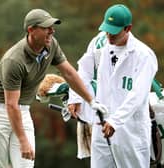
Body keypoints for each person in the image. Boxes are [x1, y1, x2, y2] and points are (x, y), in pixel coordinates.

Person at [0, 9, 107, 168]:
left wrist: (90, 100)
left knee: (25, 165)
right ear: (31, 30)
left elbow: (69, 73)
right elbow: (11, 105)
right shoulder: (14, 60)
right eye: (46, 27)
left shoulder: (51, 45)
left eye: (52, 27)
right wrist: (22, 141)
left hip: (22, 111)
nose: (51, 31)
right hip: (0, 113)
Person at [68, 4, 158, 168]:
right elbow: (83, 71)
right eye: (107, 29)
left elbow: (137, 95)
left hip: (130, 130)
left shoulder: (144, 55)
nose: (109, 35)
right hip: (101, 124)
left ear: (128, 28)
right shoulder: (99, 42)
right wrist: (75, 97)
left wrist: (116, 121)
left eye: (114, 31)